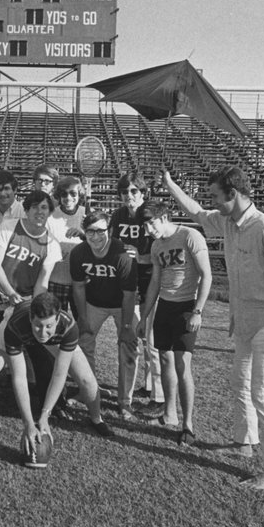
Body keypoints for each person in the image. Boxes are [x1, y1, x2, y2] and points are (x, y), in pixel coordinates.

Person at [162, 165, 264, 490]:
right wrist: (170, 184)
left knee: (263, 392)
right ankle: (244, 442)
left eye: (215, 196)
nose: (212, 202)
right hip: (245, 322)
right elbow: (195, 211)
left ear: (233, 194)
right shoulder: (227, 222)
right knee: (240, 383)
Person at [0, 190, 63, 429]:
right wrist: (9, 293)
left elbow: (42, 283)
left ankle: (49, 403)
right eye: (35, 207)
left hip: (25, 300)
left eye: (45, 208)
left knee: (39, 348)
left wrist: (34, 306)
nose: (40, 212)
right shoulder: (10, 226)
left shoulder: (51, 243)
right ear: (26, 209)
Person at [0, 293, 114, 443]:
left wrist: (45, 414)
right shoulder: (16, 325)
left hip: (54, 337)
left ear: (57, 319)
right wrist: (28, 423)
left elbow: (59, 374)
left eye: (49, 326)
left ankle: (96, 419)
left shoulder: (69, 327)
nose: (43, 331)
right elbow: (19, 377)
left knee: (88, 381)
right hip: (17, 327)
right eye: (39, 325)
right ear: (31, 319)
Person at [136, 201, 212, 445]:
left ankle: (187, 425)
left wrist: (197, 311)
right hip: (165, 307)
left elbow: (206, 274)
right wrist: (145, 315)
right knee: (166, 358)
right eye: (145, 225)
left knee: (183, 364)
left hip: (186, 306)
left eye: (152, 222)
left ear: (165, 217)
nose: (148, 229)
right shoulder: (157, 245)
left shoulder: (190, 236)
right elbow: (155, 283)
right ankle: (169, 414)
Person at [69, 211, 139, 420]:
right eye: (90, 231)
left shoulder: (122, 254)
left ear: (109, 230)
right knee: (83, 343)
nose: (96, 236)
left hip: (122, 305)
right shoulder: (79, 253)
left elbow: (129, 294)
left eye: (101, 231)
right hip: (94, 302)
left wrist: (126, 327)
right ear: (85, 232)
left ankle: (124, 402)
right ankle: (87, 390)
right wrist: (82, 317)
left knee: (129, 346)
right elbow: (79, 287)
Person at [109, 172, 166, 420]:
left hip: (150, 281)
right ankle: (148, 386)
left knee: (151, 341)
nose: (129, 196)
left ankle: (158, 399)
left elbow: (159, 251)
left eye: (134, 191)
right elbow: (111, 243)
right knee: (135, 336)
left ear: (143, 193)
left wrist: (137, 255)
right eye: (124, 192)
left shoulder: (148, 213)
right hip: (126, 283)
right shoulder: (118, 215)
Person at [46, 176, 86, 313]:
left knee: (83, 325)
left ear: (79, 195)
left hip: (80, 282)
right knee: (56, 324)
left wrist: (84, 234)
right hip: (56, 281)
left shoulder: (86, 214)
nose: (68, 198)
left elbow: (98, 245)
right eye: (64, 194)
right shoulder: (50, 217)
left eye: (73, 193)